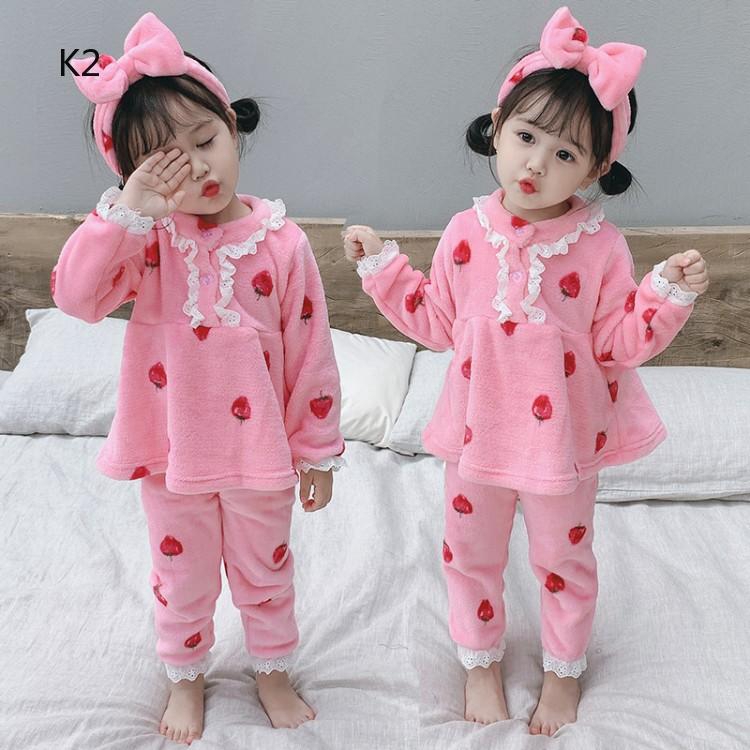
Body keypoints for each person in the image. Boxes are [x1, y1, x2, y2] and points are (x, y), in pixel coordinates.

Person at [343, 5, 709, 737]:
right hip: (475, 436)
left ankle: (562, 673)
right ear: (497, 126)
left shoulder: (601, 247)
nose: (537, 163)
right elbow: (438, 323)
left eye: (566, 153)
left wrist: (666, 296)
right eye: (526, 136)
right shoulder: (464, 232)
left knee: (563, 561)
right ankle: (479, 661)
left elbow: (617, 344)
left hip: (561, 446)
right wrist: (383, 268)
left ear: (598, 169)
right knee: (469, 555)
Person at [53, 12, 345, 744]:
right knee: (180, 579)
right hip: (172, 454)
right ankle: (185, 677)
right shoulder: (144, 242)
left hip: (260, 456)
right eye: (168, 164)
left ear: (232, 127)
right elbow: (77, 299)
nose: (200, 170)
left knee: (266, 571)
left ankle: (271, 671)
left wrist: (317, 450)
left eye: (206, 142)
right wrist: (128, 213)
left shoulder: (282, 243)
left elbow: (311, 351)